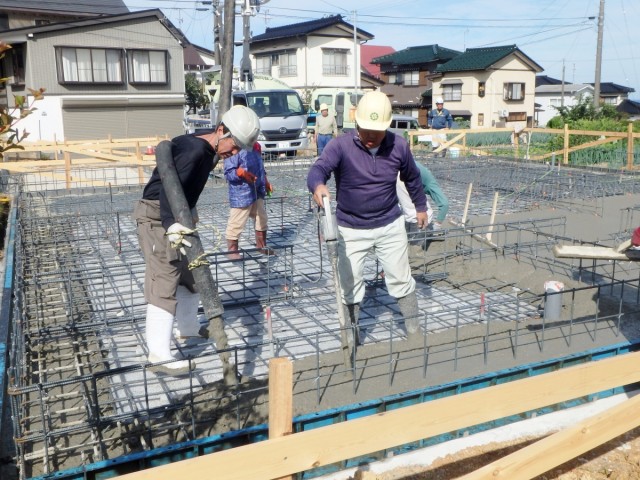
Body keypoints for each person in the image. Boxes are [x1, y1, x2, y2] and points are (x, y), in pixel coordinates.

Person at [133, 105, 260, 373]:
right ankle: (158, 355)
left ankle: (188, 329)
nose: (234, 153)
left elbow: (183, 186)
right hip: (158, 216)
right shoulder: (195, 151)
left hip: (178, 215)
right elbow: (169, 188)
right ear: (221, 131)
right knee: (164, 278)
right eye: (234, 146)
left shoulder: (207, 147)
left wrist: (187, 213)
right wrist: (171, 224)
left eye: (239, 150)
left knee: (190, 274)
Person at [307, 91, 428, 339]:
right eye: (367, 130)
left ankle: (415, 332)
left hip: (389, 224)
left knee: (402, 279)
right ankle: (350, 337)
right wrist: (318, 185)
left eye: (378, 131)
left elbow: (412, 178)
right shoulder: (340, 145)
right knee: (349, 286)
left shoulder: (399, 146)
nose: (371, 136)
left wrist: (420, 206)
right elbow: (319, 169)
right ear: (357, 123)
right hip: (351, 228)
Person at [223, 142, 275, 259]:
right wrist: (241, 173)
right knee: (237, 221)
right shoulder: (232, 148)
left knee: (261, 217)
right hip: (241, 192)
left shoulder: (255, 146)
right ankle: (232, 251)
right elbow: (228, 173)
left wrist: (265, 181)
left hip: (257, 189)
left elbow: (260, 167)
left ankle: (262, 246)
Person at [397, 162, 449, 246]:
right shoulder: (429, 182)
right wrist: (438, 224)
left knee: (407, 241)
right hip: (416, 216)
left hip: (399, 170)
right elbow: (445, 204)